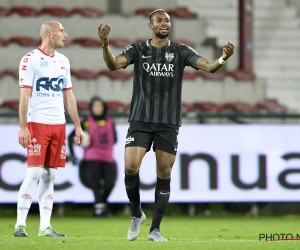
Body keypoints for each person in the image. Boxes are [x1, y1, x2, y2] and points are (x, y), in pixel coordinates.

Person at [98, 9, 234, 242]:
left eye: (167, 20)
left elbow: (210, 67)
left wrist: (223, 58)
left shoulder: (181, 51)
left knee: (164, 171)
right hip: (140, 119)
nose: (164, 23)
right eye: (159, 20)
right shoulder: (137, 50)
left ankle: (155, 230)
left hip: (167, 122)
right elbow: (113, 65)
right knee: (131, 166)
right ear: (150, 26)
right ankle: (136, 213)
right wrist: (105, 45)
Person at [14, 20, 84, 237]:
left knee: (50, 175)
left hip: (58, 125)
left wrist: (78, 127)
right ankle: (20, 225)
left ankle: (45, 226)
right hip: (38, 123)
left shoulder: (64, 61)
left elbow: (68, 96)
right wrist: (23, 126)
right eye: (62, 31)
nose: (66, 34)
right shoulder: (30, 60)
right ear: (49, 34)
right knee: (34, 172)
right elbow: (24, 95)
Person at [68, 96, 118, 217]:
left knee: (110, 183)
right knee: (95, 183)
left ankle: (101, 204)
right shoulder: (87, 121)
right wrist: (73, 154)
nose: (98, 109)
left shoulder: (110, 121)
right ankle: (99, 209)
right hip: (92, 157)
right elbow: (71, 137)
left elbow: (115, 139)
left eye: (100, 106)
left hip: (107, 157)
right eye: (95, 106)